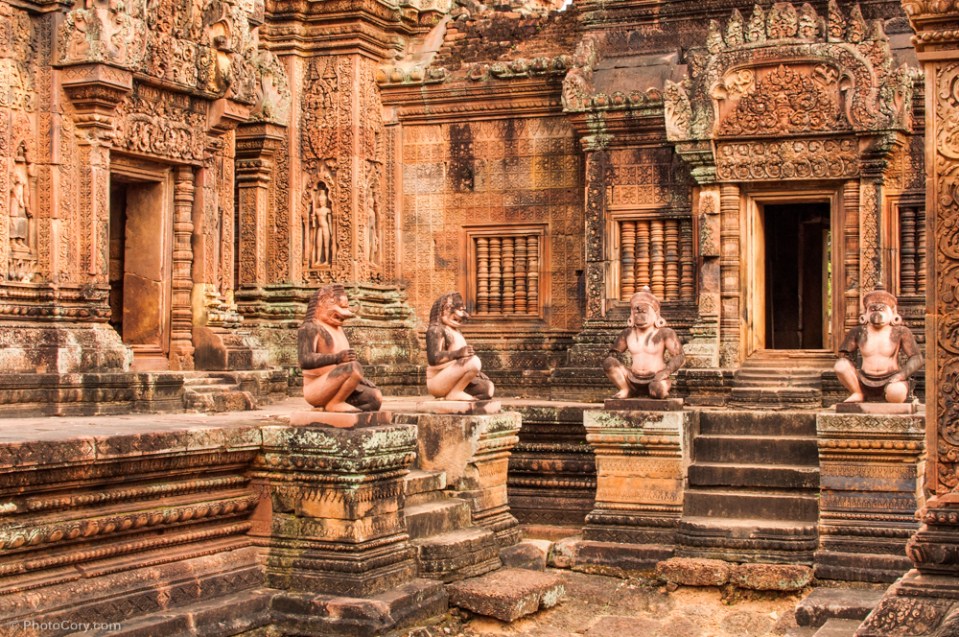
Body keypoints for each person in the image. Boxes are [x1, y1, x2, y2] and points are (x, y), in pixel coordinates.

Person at [297, 284, 381, 411]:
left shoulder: (338, 330)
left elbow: (344, 365)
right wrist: (337, 358)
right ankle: (335, 403)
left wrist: (360, 378)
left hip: (339, 384)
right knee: (354, 366)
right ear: (321, 305)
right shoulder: (310, 328)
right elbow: (305, 360)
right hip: (317, 386)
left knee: (375, 398)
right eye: (339, 308)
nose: (344, 315)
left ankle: (335, 406)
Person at [835, 288, 922, 403]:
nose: (877, 313)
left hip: (892, 379)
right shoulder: (858, 331)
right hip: (863, 379)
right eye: (873, 309)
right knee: (840, 365)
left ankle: (892, 394)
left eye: (882, 309)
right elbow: (844, 356)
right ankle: (857, 393)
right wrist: (851, 372)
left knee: (896, 395)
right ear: (866, 313)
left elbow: (917, 358)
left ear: (892, 313)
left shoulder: (900, 331)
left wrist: (902, 375)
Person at [603, 286, 685, 399]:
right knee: (609, 362)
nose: (639, 317)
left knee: (657, 391)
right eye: (636, 312)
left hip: (657, 378)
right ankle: (625, 389)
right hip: (631, 378)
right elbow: (613, 354)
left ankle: (656, 389)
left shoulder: (665, 333)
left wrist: (666, 372)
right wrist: (620, 370)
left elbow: (680, 356)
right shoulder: (627, 333)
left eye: (644, 312)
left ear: (655, 313)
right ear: (631, 314)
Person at [425, 292, 494, 401]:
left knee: (488, 388)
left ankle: (455, 392)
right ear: (446, 309)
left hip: (452, 379)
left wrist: (477, 373)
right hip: (437, 381)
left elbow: (460, 363)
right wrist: (458, 353)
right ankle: (455, 393)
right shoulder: (436, 330)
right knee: (475, 361)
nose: (465, 315)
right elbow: (433, 358)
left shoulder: (455, 332)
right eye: (461, 310)